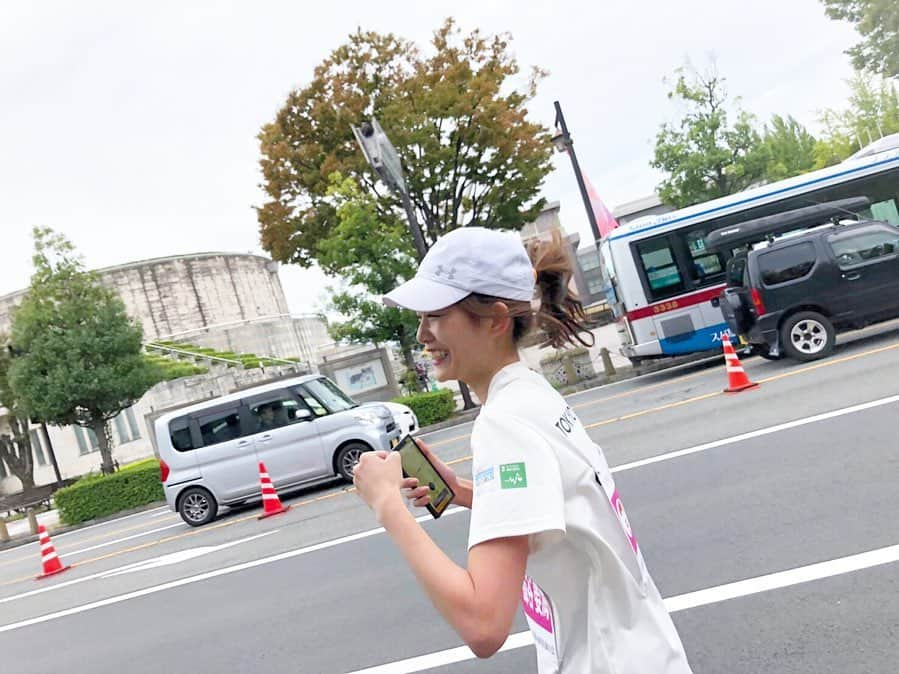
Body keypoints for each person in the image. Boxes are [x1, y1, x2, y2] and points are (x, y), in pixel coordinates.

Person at [352, 227, 693, 673]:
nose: (422, 334)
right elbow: (564, 505)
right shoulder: (533, 394)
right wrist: (466, 492)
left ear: (495, 319)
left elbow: (483, 623)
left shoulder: (503, 424)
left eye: (434, 315)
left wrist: (386, 507)